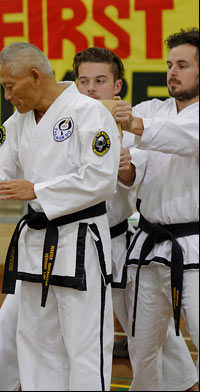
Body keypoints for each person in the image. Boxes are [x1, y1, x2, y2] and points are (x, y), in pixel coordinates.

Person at [0, 42, 120, 390]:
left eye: (9, 86)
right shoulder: (19, 121)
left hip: (79, 240)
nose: (6, 95)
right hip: (36, 243)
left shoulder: (88, 112)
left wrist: (40, 190)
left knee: (85, 346)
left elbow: (101, 179)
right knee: (34, 342)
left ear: (34, 76)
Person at [114, 27, 199, 391]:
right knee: (142, 346)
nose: (172, 72)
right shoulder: (152, 110)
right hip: (149, 242)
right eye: (169, 64)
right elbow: (140, 165)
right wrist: (128, 169)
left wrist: (131, 123)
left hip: (193, 244)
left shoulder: (153, 120)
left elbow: (177, 137)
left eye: (182, 65)